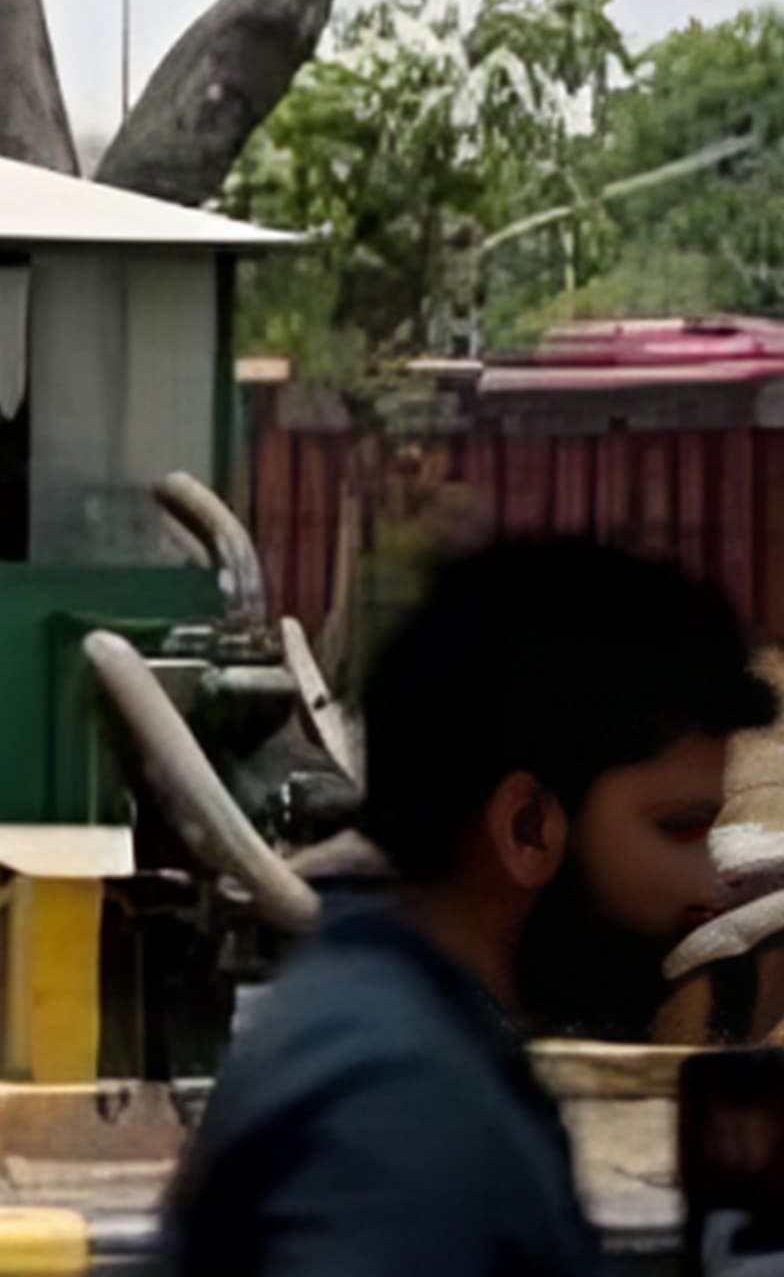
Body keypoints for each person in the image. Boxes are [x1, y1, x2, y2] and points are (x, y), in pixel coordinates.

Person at [166, 537, 777, 1276]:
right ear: (527, 827)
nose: (709, 886)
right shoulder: (396, 1110)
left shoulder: (406, 1030)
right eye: (677, 828)